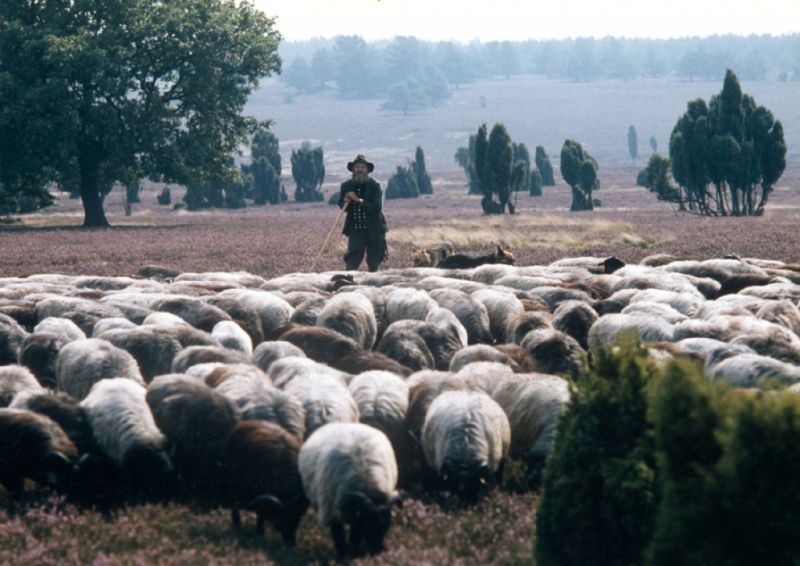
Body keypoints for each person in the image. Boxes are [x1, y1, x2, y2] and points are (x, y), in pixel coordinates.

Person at [338, 154, 388, 272]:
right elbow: (341, 205)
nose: (360, 169)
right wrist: (345, 201)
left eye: (362, 167)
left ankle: (374, 281)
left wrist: (358, 200)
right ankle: (347, 280)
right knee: (352, 260)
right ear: (353, 170)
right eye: (357, 167)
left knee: (374, 261)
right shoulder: (346, 186)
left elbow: (377, 207)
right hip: (355, 229)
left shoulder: (375, 185)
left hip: (374, 228)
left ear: (367, 170)